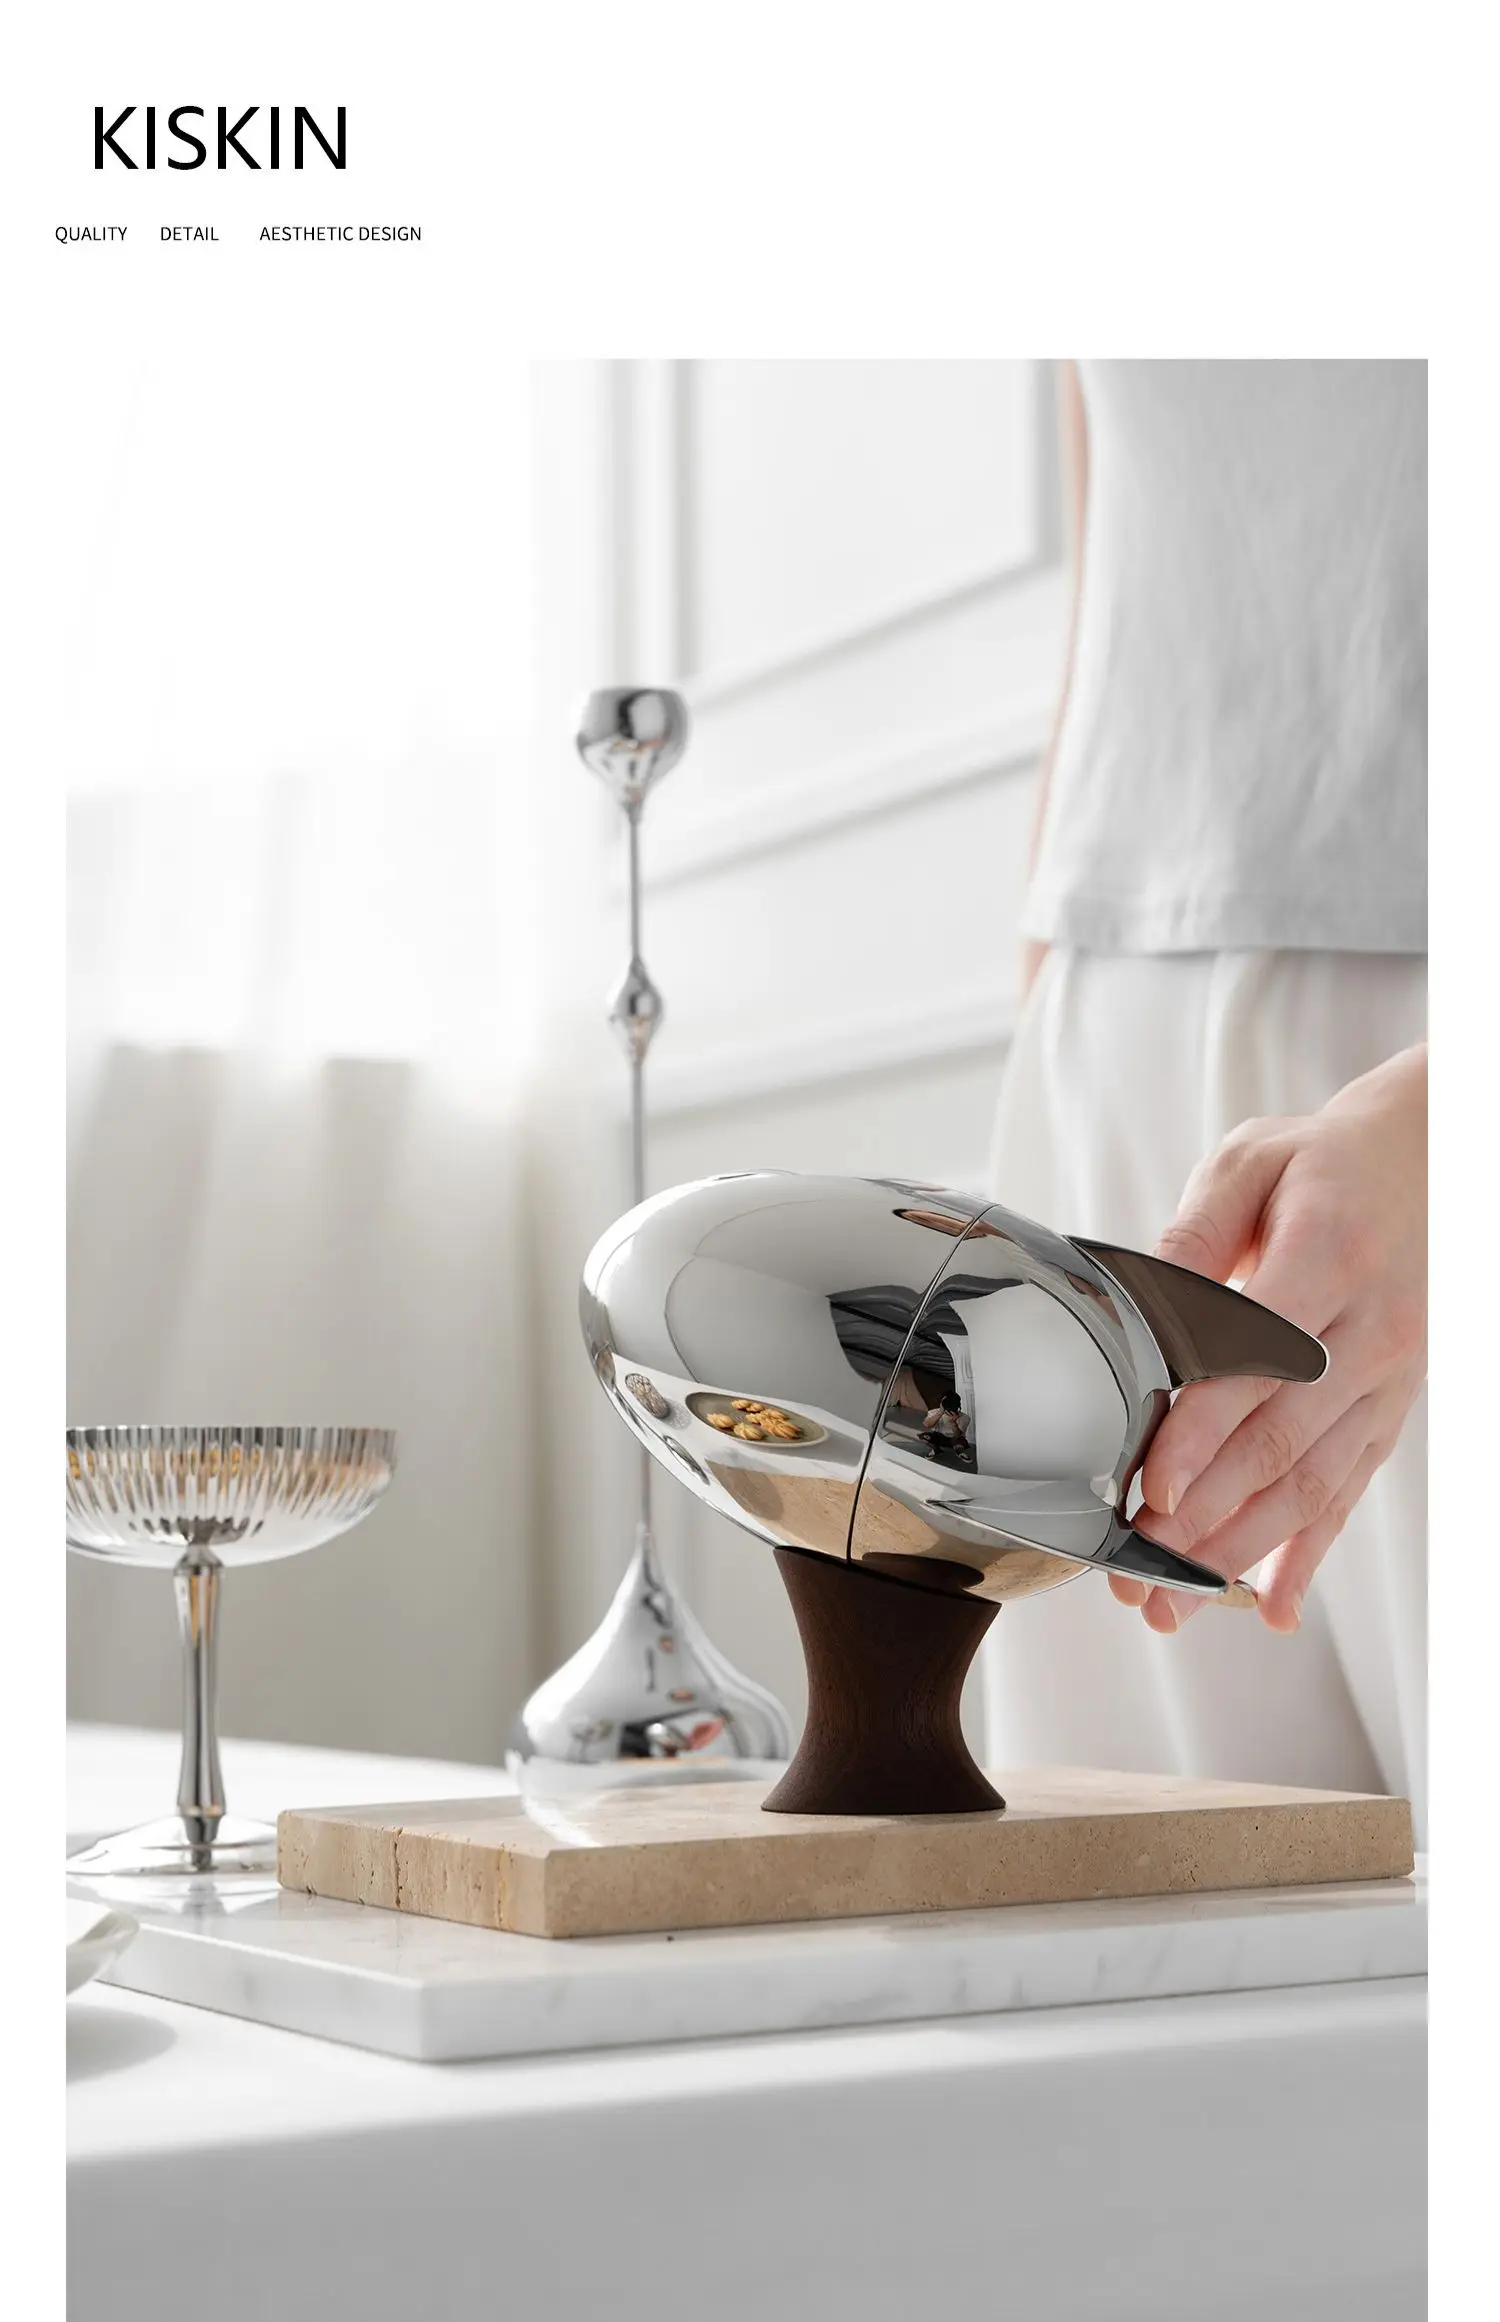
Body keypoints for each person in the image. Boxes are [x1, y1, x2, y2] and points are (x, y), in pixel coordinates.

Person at [983, 361, 1427, 1838]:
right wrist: (1045, 1038)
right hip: (1108, 1038)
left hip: (1429, 1073)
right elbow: (1121, 557)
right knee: (1126, 1926)